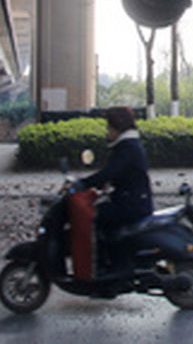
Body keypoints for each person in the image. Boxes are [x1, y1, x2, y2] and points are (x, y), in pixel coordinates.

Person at [76, 106, 153, 269]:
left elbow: (110, 172)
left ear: (117, 127)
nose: (108, 131)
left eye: (109, 127)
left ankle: (107, 267)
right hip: (130, 200)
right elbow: (117, 173)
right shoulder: (128, 145)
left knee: (94, 218)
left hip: (132, 204)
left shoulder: (128, 147)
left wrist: (83, 183)